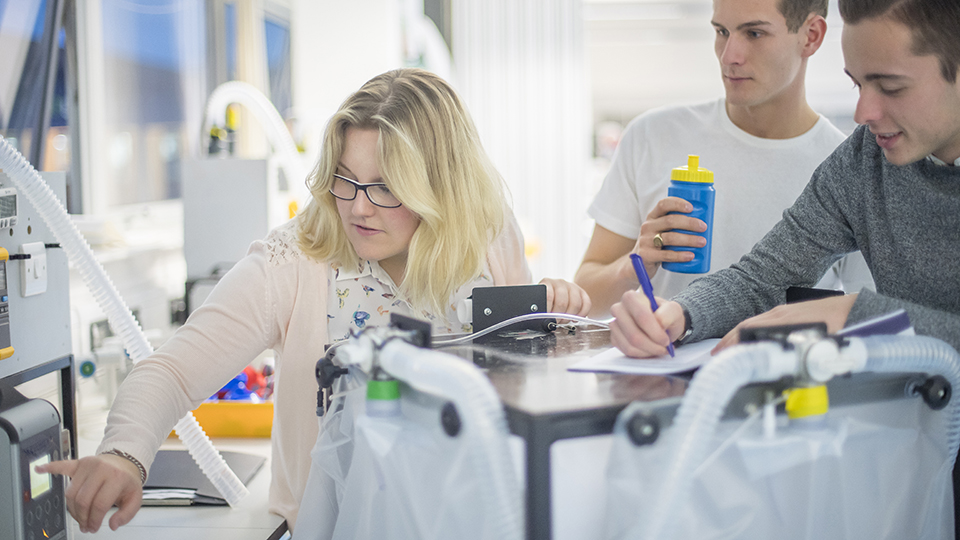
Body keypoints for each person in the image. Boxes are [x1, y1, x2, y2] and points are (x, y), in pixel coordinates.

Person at [40, 68, 591, 533]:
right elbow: (172, 372)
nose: (357, 208)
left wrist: (552, 322)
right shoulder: (295, 260)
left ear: (440, 188)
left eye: (386, 186)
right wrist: (123, 454)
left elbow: (516, 381)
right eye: (344, 179)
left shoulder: (487, 235)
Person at [607, 0, 960, 359]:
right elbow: (764, 277)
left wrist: (855, 314)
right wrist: (682, 314)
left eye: (891, 87)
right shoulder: (864, 159)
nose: (862, 114)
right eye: (857, 84)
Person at [575, 0, 873, 315]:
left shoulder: (848, 172)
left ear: (811, 35)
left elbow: (871, 318)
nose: (729, 57)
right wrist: (633, 265)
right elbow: (586, 300)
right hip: (664, 348)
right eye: (722, 31)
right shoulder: (652, 135)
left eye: (754, 33)